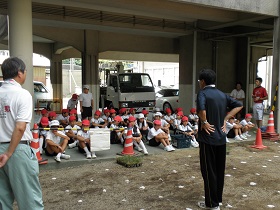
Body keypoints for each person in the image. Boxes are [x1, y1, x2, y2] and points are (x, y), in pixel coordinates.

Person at [0, 57, 44, 209]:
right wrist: (9, 153)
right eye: (25, 71)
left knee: (2, 200)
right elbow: (20, 127)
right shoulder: (22, 94)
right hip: (16, 150)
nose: (25, 74)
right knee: (29, 199)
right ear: (19, 73)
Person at [196, 69, 242, 210]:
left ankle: (212, 203)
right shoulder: (222, 94)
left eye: (199, 81)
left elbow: (201, 110)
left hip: (207, 138)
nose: (199, 83)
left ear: (203, 81)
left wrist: (204, 122)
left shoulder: (202, 93)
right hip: (221, 138)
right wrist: (226, 118)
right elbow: (239, 105)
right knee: (219, 169)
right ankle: (218, 199)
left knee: (208, 171)